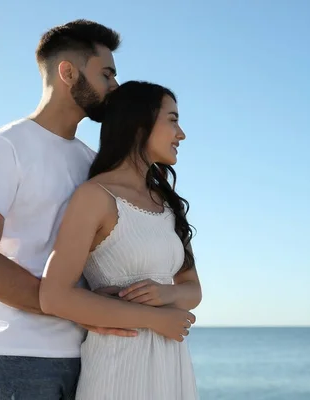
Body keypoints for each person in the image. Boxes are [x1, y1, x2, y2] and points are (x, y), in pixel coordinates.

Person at [0, 19, 134, 399]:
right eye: (106, 74)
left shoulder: (92, 162)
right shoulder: (3, 147)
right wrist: (74, 308)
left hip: (88, 357)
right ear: (67, 72)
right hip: (15, 357)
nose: (115, 87)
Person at [39, 80, 202, 399]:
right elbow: (54, 296)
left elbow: (193, 290)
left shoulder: (167, 203)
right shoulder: (95, 197)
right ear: (140, 123)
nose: (180, 133)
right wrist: (155, 318)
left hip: (171, 363)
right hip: (118, 364)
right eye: (172, 120)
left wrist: (164, 294)